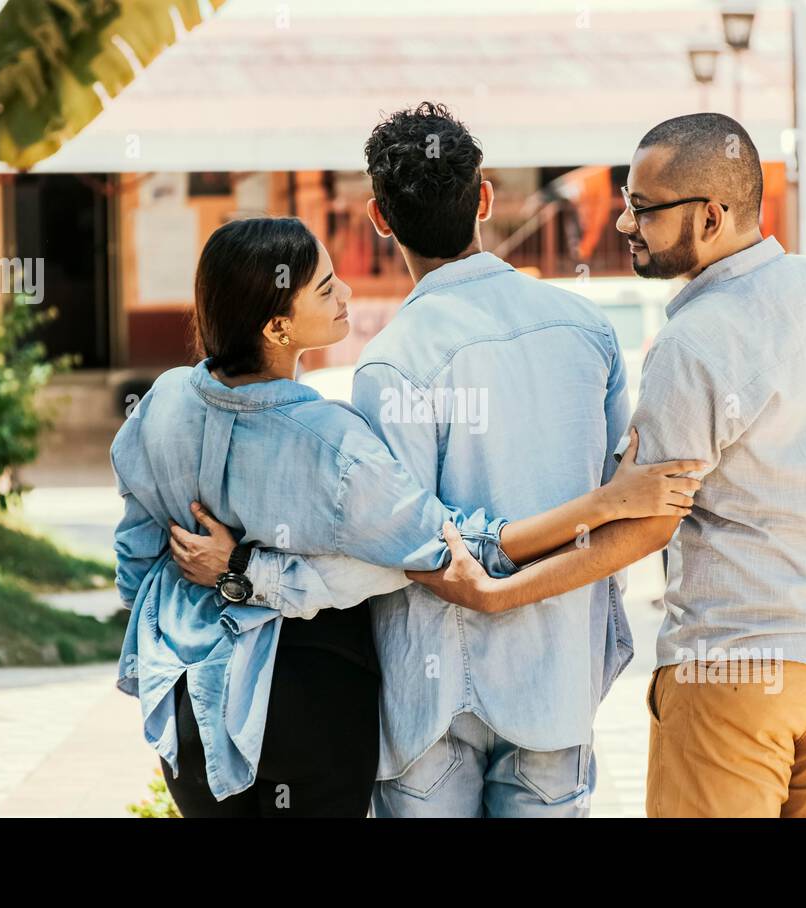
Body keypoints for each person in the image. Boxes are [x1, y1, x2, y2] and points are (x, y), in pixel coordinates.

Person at [410, 113, 806, 818]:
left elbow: (647, 526)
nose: (626, 224)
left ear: (713, 216)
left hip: (735, 672)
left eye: (645, 209)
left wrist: (498, 594)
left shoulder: (692, 342)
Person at [168, 102, 678, 817]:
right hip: (554, 677)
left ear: (380, 218)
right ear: (486, 196)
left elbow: (402, 547)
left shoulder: (391, 364)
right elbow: (619, 506)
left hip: (430, 702)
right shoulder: (587, 333)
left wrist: (246, 572)